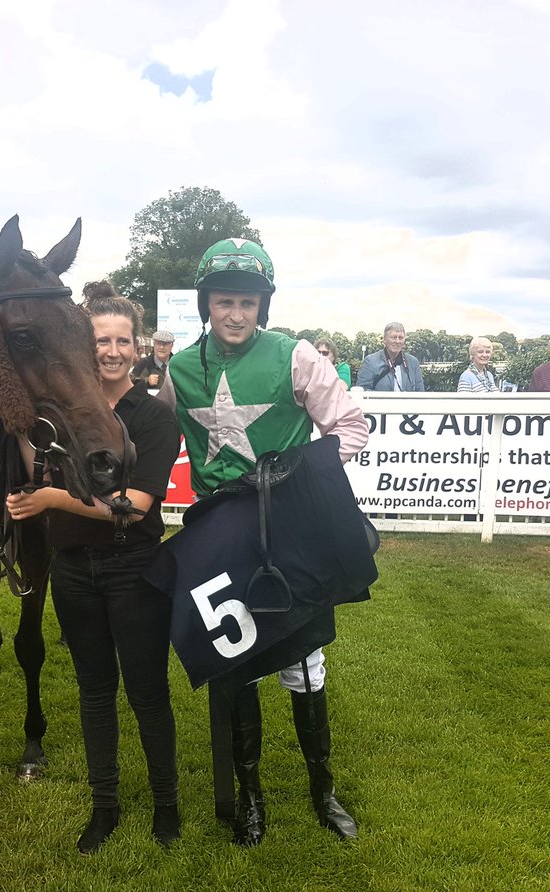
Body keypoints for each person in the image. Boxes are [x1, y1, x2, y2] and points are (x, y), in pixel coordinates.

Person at [158, 238, 370, 846]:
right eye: (224, 301)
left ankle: (321, 789)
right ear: (207, 304)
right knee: (239, 661)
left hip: (289, 529)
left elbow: (349, 427)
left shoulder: (296, 356)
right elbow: (152, 438)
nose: (234, 314)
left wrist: (298, 470)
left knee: (305, 660)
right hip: (220, 535)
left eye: (246, 303)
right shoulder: (178, 370)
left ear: (262, 306)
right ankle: (251, 800)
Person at [6, 285, 180, 854]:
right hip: (75, 569)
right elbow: (33, 469)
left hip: (135, 567)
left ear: (137, 347)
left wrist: (56, 502)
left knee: (148, 692)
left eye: (121, 341)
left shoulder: (153, 416)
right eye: (99, 340)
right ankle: (104, 805)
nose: (111, 351)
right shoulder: (57, 417)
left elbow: (135, 507)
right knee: (94, 691)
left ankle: (165, 804)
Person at [356, 323, 425, 392]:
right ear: (385, 340)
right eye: (393, 337)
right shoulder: (370, 362)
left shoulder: (413, 362)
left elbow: (420, 392)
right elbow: (362, 391)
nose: (397, 341)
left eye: (400, 338)